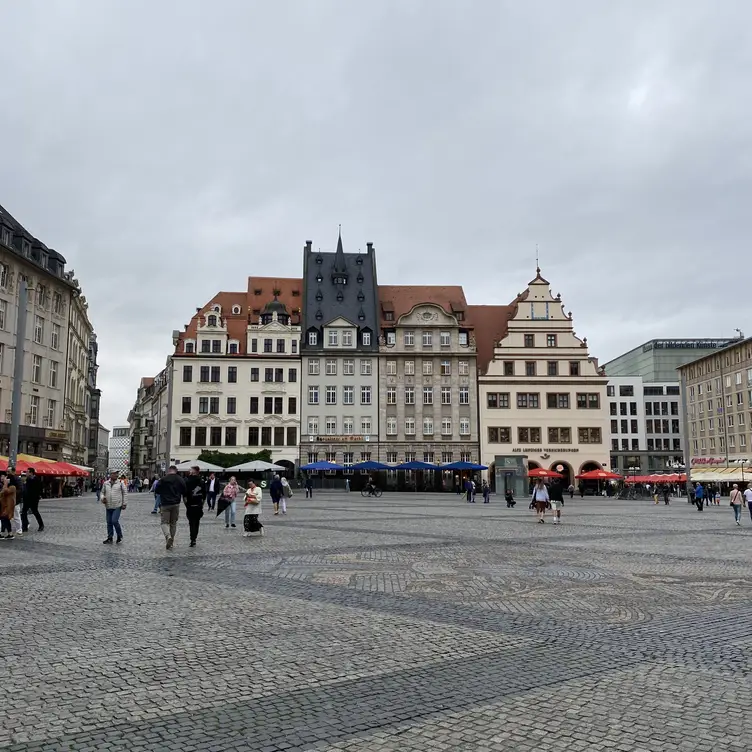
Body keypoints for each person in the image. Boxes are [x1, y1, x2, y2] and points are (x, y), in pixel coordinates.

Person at [156, 466, 187, 550]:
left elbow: (157, 490)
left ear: (169, 470)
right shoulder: (180, 479)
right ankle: (172, 541)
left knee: (164, 523)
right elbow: (184, 491)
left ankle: (167, 536)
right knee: (173, 523)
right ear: (176, 471)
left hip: (165, 504)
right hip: (176, 504)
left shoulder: (163, 479)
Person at [100, 469, 127, 544]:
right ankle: (110, 537)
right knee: (109, 522)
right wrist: (102, 498)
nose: (116, 475)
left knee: (114, 520)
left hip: (117, 505)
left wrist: (124, 503)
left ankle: (119, 535)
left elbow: (125, 493)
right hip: (108, 505)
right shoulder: (106, 483)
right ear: (111, 474)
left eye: (117, 474)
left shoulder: (120, 483)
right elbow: (102, 493)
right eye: (115, 473)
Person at [184, 466, 206, 547]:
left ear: (194, 472)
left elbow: (184, 496)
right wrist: (202, 505)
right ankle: (194, 538)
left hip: (190, 505)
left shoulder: (187, 481)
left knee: (191, 522)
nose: (189, 471)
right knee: (197, 522)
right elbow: (204, 496)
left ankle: (192, 538)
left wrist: (186, 505)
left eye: (190, 470)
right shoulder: (202, 481)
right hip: (198, 505)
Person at [21, 467, 44, 532]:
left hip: (34, 499)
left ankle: (41, 525)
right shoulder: (27, 479)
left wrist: (38, 497)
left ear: (31, 472)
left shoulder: (36, 479)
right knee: (23, 512)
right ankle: (24, 526)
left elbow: (38, 489)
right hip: (27, 499)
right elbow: (26, 489)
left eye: (27, 472)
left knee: (35, 512)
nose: (26, 473)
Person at [0, 474, 16, 539]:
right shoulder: (7, 486)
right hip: (4, 505)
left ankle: (2, 533)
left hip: (8, 506)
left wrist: (5, 484)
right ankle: (10, 533)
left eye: (6, 478)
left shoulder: (12, 487)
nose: (4, 479)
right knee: (5, 519)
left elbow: (5, 492)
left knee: (3, 518)